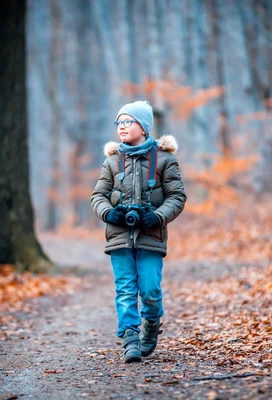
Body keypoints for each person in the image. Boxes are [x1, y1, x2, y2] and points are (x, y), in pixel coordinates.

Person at [90, 100, 187, 363]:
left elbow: (177, 197)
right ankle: (130, 338)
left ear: (143, 127)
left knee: (151, 289)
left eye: (127, 122)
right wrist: (109, 213)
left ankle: (151, 325)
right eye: (118, 122)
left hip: (151, 237)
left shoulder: (165, 159)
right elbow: (97, 196)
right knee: (125, 289)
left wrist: (155, 216)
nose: (121, 127)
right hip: (119, 238)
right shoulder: (112, 161)